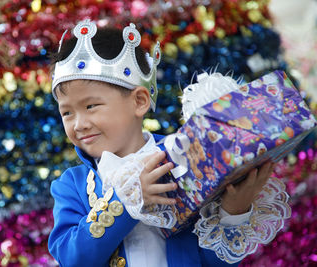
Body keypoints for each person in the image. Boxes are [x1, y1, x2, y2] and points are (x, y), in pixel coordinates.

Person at [48, 20, 290, 267]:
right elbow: (71, 258)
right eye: (67, 113)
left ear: (139, 101)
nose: (79, 124)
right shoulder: (72, 185)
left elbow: (212, 263)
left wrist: (232, 213)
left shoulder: (187, 158)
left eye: (91, 106)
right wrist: (126, 201)